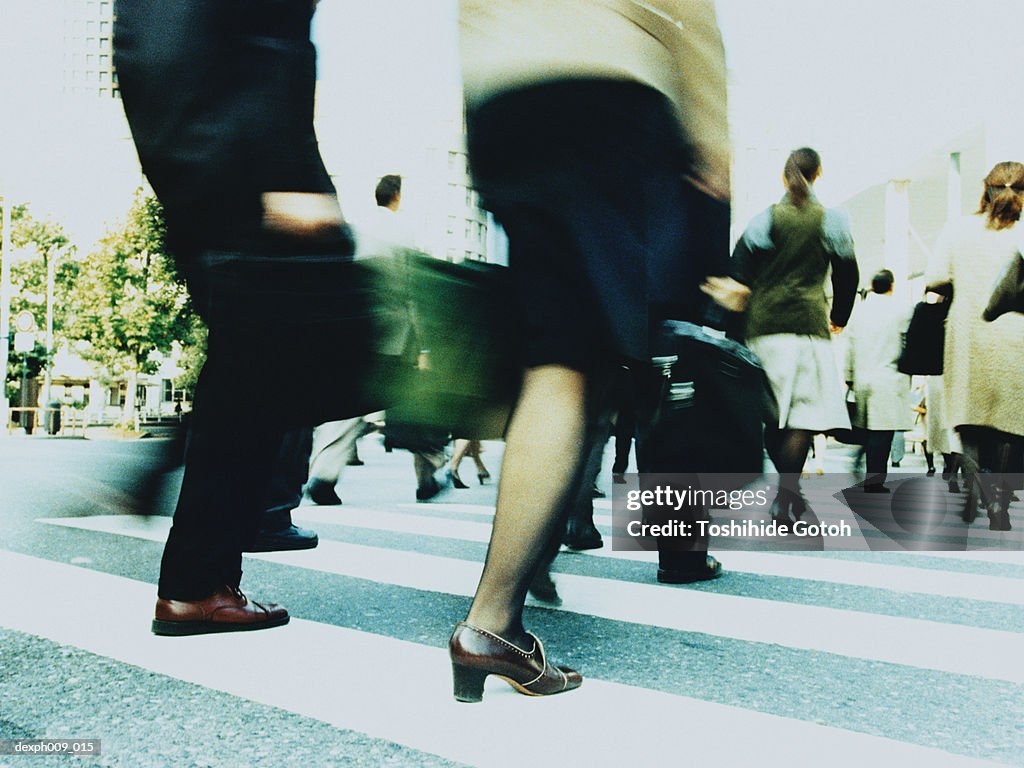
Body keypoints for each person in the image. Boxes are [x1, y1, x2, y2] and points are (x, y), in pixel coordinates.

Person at [450, 0, 731, 702]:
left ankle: (521, 577)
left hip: (504, 102)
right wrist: (713, 139)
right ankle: (495, 616)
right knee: (582, 364)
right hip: (605, 95)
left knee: (557, 354)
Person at [114, 0, 400, 635]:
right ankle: (195, 578)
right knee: (281, 365)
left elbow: (150, 45)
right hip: (251, 161)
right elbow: (270, 44)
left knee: (253, 362)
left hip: (188, 152)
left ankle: (199, 566)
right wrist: (286, 172)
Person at [731, 147, 859, 527]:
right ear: (819, 173)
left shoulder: (762, 221)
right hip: (808, 327)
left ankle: (788, 495)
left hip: (763, 328)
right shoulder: (832, 221)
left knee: (774, 417)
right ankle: (787, 496)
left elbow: (739, 273)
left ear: (783, 177)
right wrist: (839, 317)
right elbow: (848, 274)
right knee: (802, 418)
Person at [926, 161, 1024, 531]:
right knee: (1008, 425)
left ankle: (969, 493)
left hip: (969, 335)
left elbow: (935, 279)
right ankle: (998, 506)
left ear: (986, 189)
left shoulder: (959, 229)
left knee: (970, 420)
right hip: (1017, 336)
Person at [844, 270, 914, 492]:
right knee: (882, 434)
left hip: (863, 378)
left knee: (869, 430)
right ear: (891, 286)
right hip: (889, 378)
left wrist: (848, 376)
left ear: (872, 286)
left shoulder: (859, 311)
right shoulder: (902, 310)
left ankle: (863, 466)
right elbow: (907, 344)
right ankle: (874, 482)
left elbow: (849, 346)